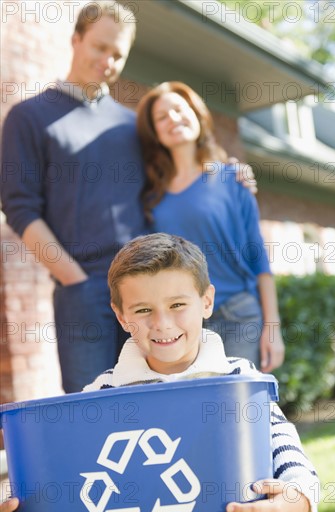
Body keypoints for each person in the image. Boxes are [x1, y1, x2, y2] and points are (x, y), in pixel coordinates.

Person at [0, 2, 255, 393]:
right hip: (81, 289)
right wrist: (73, 278)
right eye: (100, 47)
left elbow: (177, 169)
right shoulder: (29, 116)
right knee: (91, 405)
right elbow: (19, 208)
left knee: (158, 394)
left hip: (147, 288)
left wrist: (229, 171)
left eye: (118, 54)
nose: (108, 60)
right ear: (76, 40)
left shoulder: (130, 124)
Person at [83, 233, 318, 512]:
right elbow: (56, 468)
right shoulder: (100, 393)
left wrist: (296, 501)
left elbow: (286, 449)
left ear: (206, 302)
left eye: (177, 304)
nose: (162, 323)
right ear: (121, 316)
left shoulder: (240, 380)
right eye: (142, 311)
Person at [137, 82, 285, 372]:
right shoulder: (152, 198)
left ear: (196, 115)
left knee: (238, 412)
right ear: (155, 133)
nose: (173, 119)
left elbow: (259, 259)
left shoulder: (233, 179)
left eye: (179, 110)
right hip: (179, 327)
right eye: (162, 117)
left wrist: (273, 328)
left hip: (237, 317)